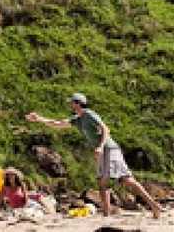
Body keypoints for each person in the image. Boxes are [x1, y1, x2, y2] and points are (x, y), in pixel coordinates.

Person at [26, 92, 162, 219]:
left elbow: (105, 129)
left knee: (122, 180)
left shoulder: (89, 114)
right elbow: (58, 124)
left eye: (72, 103)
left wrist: (100, 147)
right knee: (109, 182)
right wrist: (39, 119)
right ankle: (109, 214)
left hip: (109, 149)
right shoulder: (78, 119)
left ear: (78, 103)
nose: (70, 105)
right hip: (104, 151)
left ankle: (151, 206)